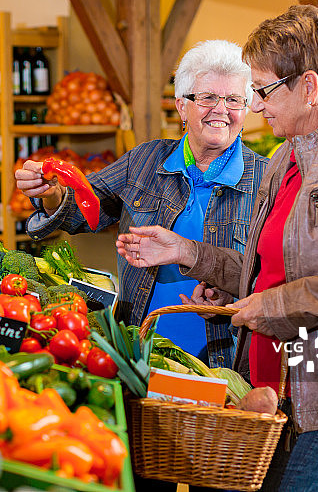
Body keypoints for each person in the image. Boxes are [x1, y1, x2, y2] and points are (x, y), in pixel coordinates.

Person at [117, 5, 318, 491]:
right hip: (284, 389)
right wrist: (193, 256)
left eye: (262, 92)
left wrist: (277, 304)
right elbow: (269, 268)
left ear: (308, 87)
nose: (256, 106)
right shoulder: (288, 154)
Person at [15, 39, 267, 371]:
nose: (221, 110)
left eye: (234, 99)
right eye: (207, 97)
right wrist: (50, 194)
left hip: (228, 361)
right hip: (140, 351)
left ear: (246, 109)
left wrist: (233, 299)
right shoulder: (145, 160)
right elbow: (82, 209)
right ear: (181, 107)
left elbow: (278, 277)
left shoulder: (267, 179)